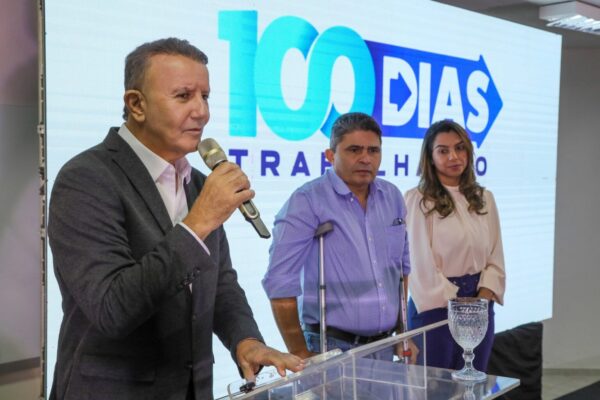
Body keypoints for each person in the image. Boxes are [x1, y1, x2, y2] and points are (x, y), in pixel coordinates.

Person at [48, 38, 303, 400]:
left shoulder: (196, 182)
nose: (202, 112)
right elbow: (111, 308)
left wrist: (245, 339)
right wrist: (198, 223)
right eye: (184, 96)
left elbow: (220, 284)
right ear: (136, 104)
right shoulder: (86, 178)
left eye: (205, 96)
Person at [262, 112, 416, 362]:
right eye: (354, 150)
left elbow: (401, 270)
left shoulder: (392, 196)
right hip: (331, 347)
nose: (365, 158)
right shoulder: (307, 200)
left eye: (373, 150)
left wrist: (403, 333)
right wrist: (298, 352)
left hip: (386, 346)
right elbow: (279, 280)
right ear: (330, 155)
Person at [405, 119, 505, 371]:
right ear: (430, 157)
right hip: (435, 309)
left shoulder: (484, 198)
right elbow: (419, 265)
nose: (454, 156)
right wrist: (460, 305)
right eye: (443, 150)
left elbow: (496, 257)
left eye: (460, 148)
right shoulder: (417, 200)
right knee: (436, 386)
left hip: (480, 305)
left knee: (473, 382)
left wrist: (481, 300)